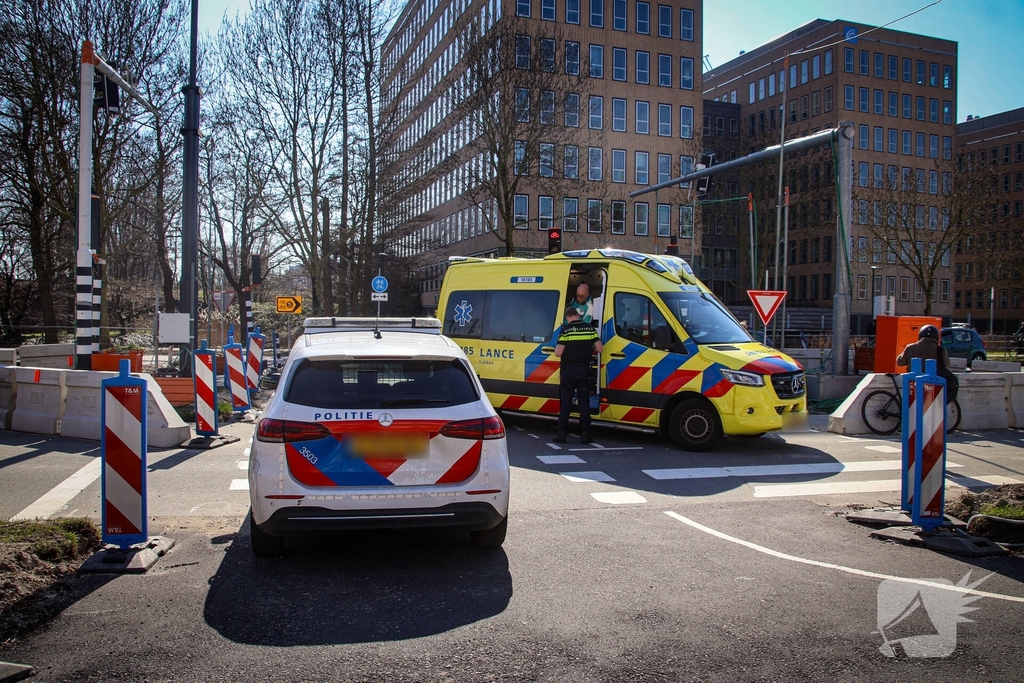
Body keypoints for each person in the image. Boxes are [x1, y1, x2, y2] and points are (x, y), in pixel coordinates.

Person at [554, 306, 603, 444]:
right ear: (577, 315)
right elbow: (600, 349)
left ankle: (561, 435)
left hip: (568, 371)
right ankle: (585, 435)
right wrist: (588, 347)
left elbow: (558, 353)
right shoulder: (589, 329)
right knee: (584, 403)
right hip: (584, 371)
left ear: (568, 317)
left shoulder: (566, 330)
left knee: (566, 403)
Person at [896, 324, 957, 402]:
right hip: (932, 385)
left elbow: (900, 362)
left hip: (912, 385)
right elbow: (947, 365)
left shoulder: (910, 347)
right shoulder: (940, 350)